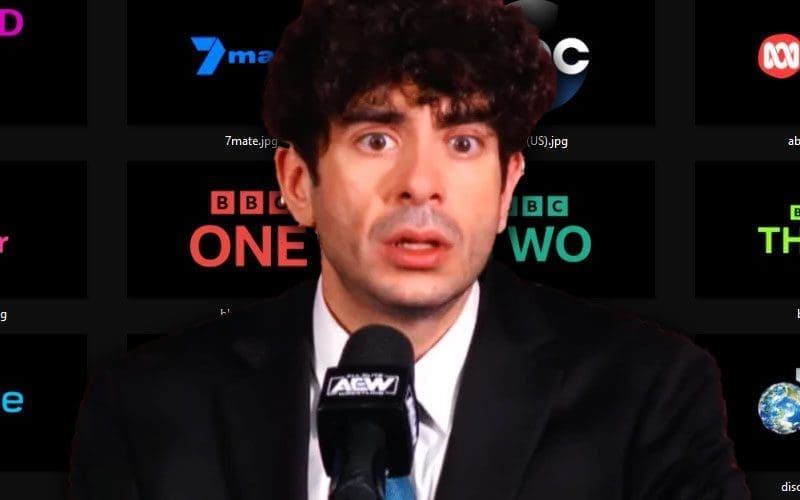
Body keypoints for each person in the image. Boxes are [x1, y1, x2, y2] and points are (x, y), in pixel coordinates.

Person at [69, 0, 751, 498]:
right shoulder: (147, 407)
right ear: (298, 183)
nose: (421, 183)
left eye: (463, 142)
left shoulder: (650, 394)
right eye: (377, 139)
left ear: (508, 187)